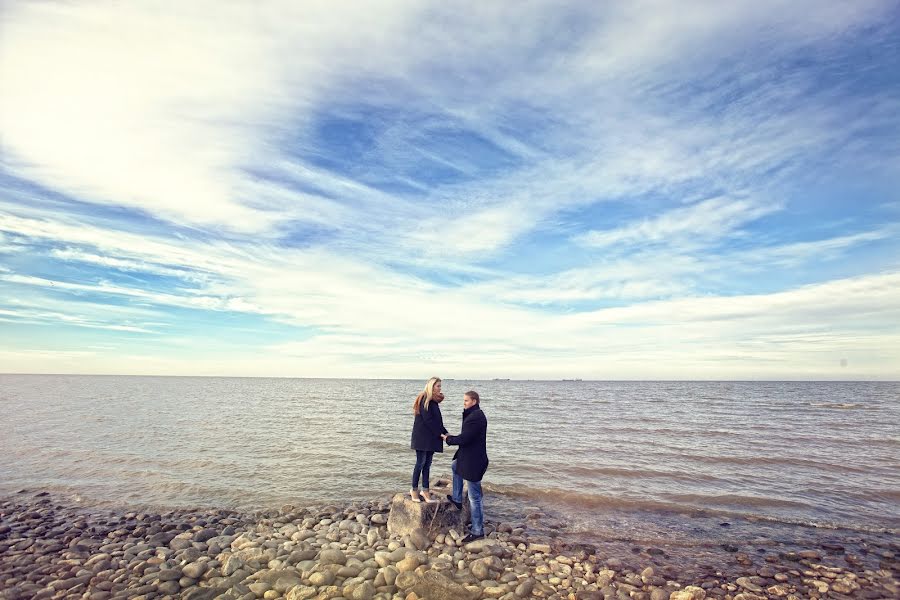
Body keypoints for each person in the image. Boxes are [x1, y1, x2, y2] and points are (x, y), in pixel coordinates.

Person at [442, 390, 488, 542]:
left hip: (474, 461)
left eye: (466, 401)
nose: (464, 403)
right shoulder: (473, 415)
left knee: (475, 497)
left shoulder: (475, 418)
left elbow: (465, 438)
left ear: (474, 401)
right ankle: (457, 499)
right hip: (468, 457)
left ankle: (477, 530)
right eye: (464, 401)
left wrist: (449, 439)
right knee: (455, 466)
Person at [409, 376, 447, 503]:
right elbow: (428, 420)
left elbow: (437, 421)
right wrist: (440, 434)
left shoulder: (434, 401)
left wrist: (446, 433)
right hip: (422, 438)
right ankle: (414, 490)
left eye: (440, 386)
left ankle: (425, 491)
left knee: (427, 464)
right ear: (431, 386)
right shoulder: (424, 398)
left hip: (431, 438)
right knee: (420, 463)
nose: (440, 388)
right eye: (438, 386)